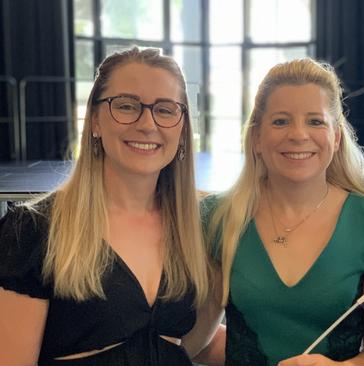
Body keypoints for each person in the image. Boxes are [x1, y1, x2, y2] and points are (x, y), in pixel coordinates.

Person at [0, 47, 215, 365]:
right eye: (127, 106)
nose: (147, 123)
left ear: (183, 128)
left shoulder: (195, 226)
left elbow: (182, 342)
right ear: (96, 120)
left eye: (166, 110)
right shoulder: (33, 230)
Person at [199, 58, 364, 366]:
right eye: (280, 121)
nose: (298, 135)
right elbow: (196, 339)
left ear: (336, 138)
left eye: (315, 121)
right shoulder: (216, 217)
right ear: (256, 137)